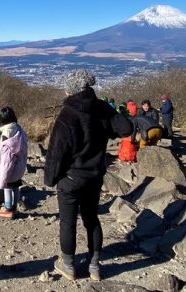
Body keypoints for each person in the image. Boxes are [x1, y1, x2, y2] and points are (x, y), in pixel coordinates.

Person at [44, 70, 133, 282]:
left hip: (71, 179)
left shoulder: (67, 114)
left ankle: (68, 266)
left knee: (68, 222)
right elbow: (126, 128)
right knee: (91, 220)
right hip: (94, 176)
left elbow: (57, 152)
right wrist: (108, 115)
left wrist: (50, 178)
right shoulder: (101, 108)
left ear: (71, 90)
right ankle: (94, 267)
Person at [0, 106, 28, 219]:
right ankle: (14, 207)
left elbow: (6, 162)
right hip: (18, 169)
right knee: (16, 187)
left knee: (7, 188)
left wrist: (2, 181)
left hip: (10, 172)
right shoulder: (19, 130)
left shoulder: (6, 137)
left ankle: (8, 209)